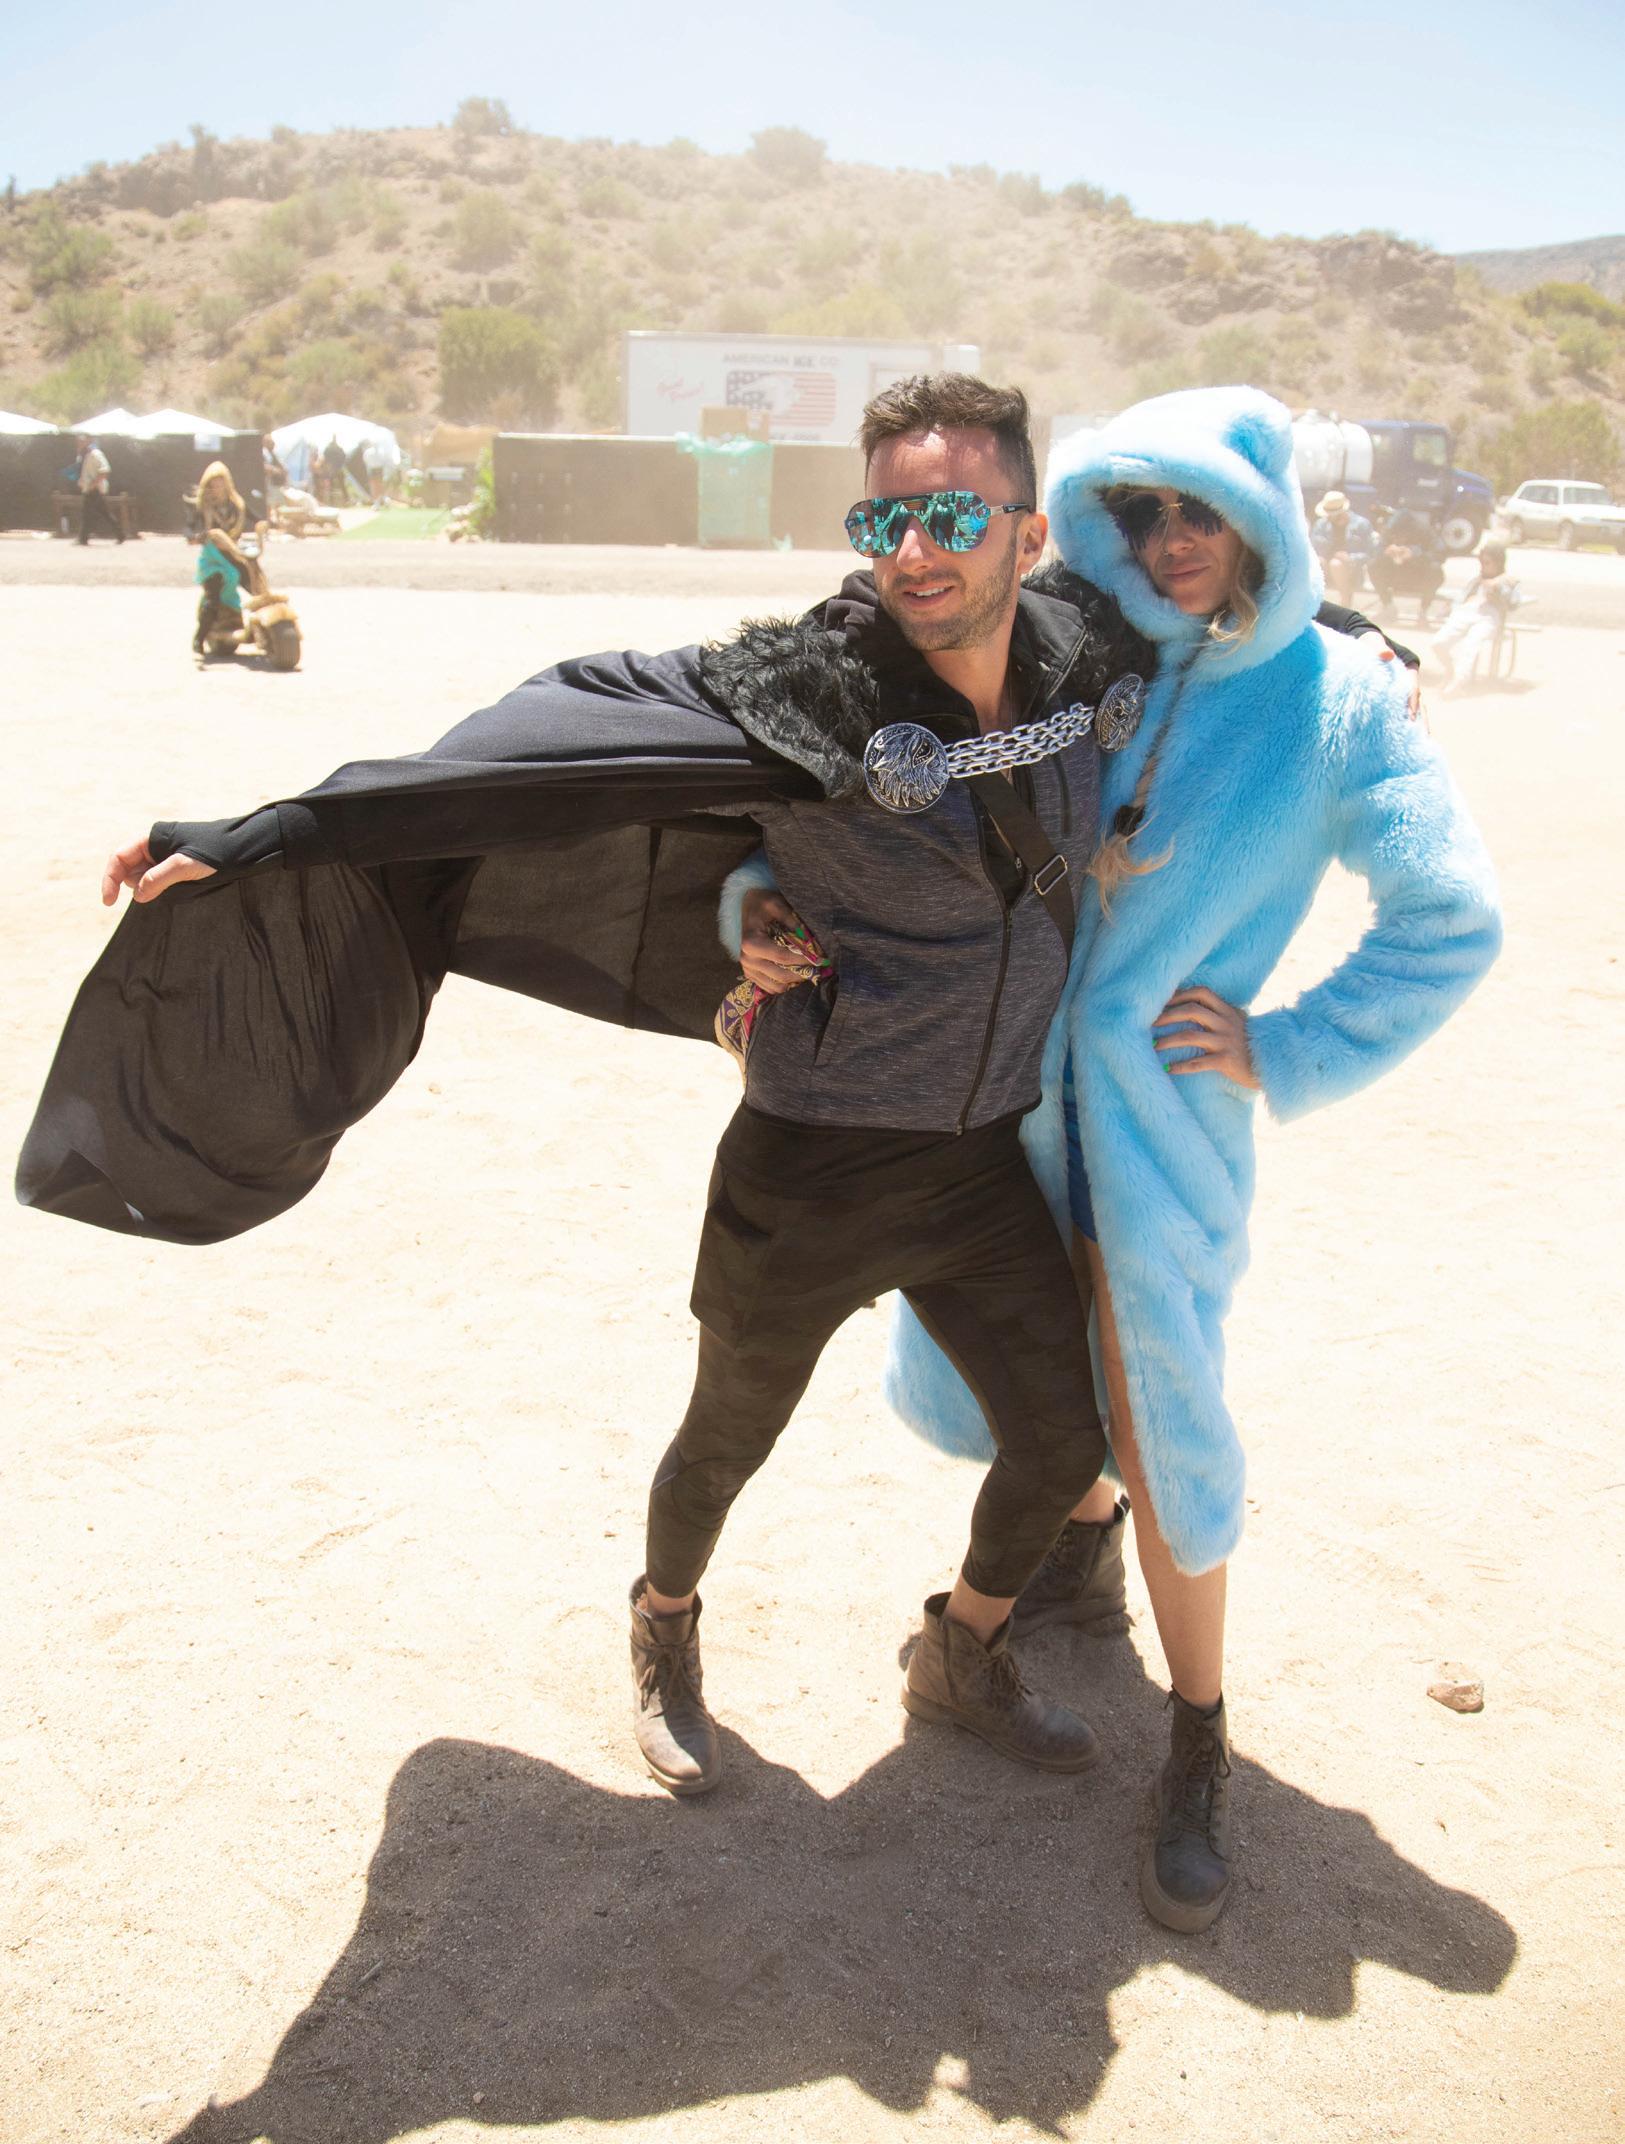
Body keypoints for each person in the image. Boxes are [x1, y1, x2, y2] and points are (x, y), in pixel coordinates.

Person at [20, 374, 1417, 1821]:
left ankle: (963, 1650)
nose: (912, 551)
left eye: (950, 517)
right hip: (809, 1165)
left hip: (975, 1166)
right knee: (723, 1444)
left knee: (1066, 1442)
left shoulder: (1083, 650)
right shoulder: (807, 687)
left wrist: (1355, 634)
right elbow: (548, 740)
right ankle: (664, 1623)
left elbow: (1221, 607)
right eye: (881, 519)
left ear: (1025, 531)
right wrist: (261, 833)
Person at [745, 388, 1500, 1934]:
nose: (1172, 541)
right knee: (1042, 1375)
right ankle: (1065, 1568)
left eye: (1202, 511)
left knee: (1167, 1426)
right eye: (1145, 512)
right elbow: (871, 768)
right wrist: (752, 913)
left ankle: (1197, 1742)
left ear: (1264, 524)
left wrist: (1288, 1047)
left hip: (1163, 1137)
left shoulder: (1338, 706)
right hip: (1009, 1111)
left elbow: (1450, 920)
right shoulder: (1078, 667)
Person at [1431, 540, 1516, 695]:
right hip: (1465, 612)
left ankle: (1459, 683)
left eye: (1487, 563)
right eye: (1481, 562)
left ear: (1498, 563)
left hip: (1487, 617)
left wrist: (1498, 590)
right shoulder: (1476, 579)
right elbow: (1460, 597)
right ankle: (1450, 670)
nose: (1483, 566)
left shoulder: (1507, 580)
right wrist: (1450, 607)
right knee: (1438, 643)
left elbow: (1514, 602)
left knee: (1470, 645)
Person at [1367, 504, 1445, 618]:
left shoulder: (1425, 532)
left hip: (1419, 576)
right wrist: (1385, 552)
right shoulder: (1389, 531)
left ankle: (1423, 610)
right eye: (1396, 535)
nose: (1399, 537)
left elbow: (1440, 553)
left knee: (1436, 570)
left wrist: (1416, 554)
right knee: (1373, 565)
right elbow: (1373, 551)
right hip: (1394, 575)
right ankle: (1388, 605)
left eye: (1402, 534)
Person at [1310, 489, 1377, 603]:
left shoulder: (1361, 524)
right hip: (1325, 564)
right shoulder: (1321, 524)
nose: (1328, 517)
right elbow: (1312, 548)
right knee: (1316, 563)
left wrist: (1350, 557)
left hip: (1352, 567)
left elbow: (1371, 552)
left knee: (1336, 564)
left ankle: (1345, 601)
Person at [74, 433, 123, 546]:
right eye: (78, 441)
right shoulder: (83, 456)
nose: (79, 443)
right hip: (88, 489)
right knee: (102, 513)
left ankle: (83, 538)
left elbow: (105, 470)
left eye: (82, 441)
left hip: (95, 489)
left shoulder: (95, 454)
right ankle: (120, 535)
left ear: (89, 441)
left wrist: (93, 484)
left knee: (88, 513)